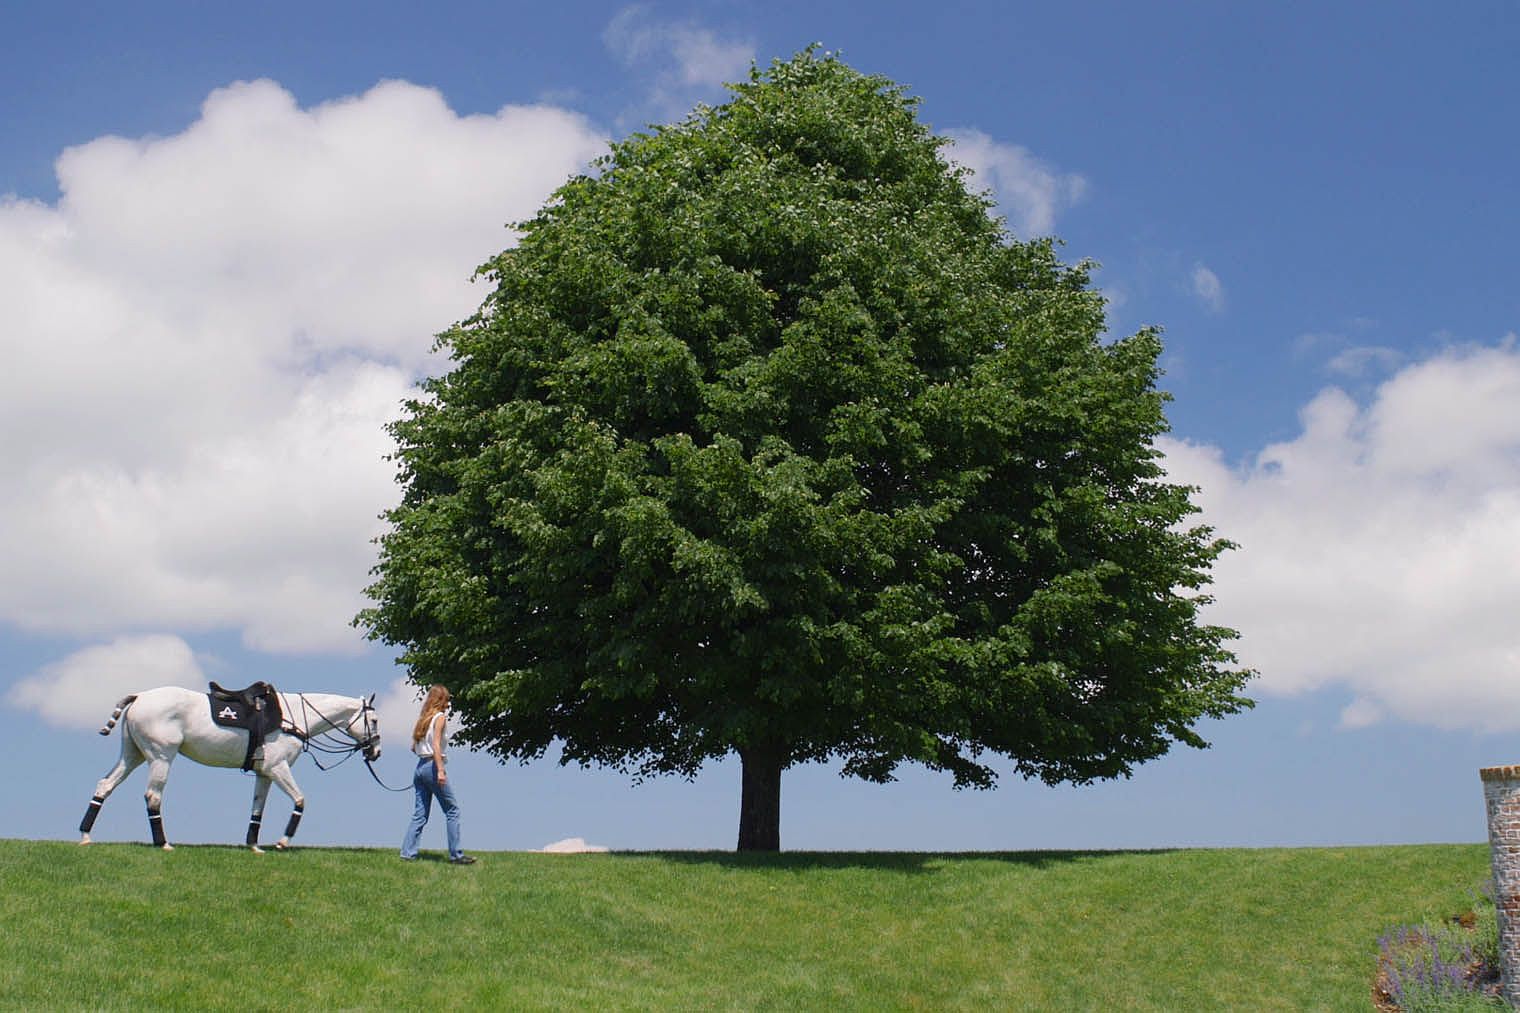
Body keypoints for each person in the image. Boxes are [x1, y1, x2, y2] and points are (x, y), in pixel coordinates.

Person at [400, 685, 475, 864]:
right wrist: (440, 770)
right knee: (452, 810)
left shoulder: (423, 719)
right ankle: (456, 855)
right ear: (441, 700)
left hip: (419, 767)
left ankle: (407, 853)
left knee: (420, 814)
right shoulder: (440, 718)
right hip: (433, 766)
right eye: (447, 700)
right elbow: (436, 745)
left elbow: (413, 747)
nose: (448, 704)